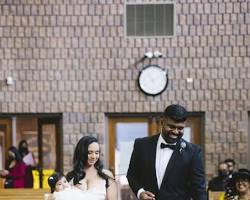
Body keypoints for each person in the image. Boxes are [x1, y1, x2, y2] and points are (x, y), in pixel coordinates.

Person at [127, 104, 207, 200]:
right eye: (171, 126)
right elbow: (132, 174)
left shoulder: (193, 152)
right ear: (162, 122)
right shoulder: (141, 145)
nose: (175, 132)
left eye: (180, 128)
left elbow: (199, 190)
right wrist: (140, 192)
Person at [66, 136, 118, 200]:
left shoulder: (106, 175)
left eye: (96, 153)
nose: (93, 156)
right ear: (81, 153)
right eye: (89, 153)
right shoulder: (71, 176)